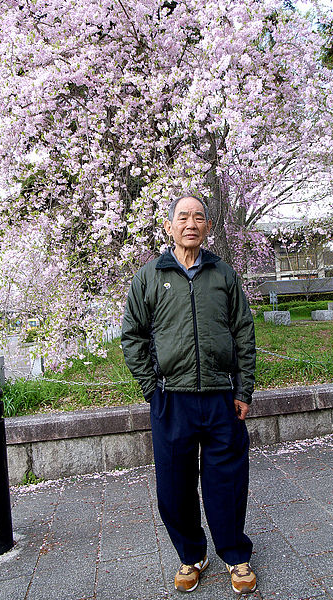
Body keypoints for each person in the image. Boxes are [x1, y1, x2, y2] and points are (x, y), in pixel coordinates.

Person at [121, 195, 257, 594]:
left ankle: (234, 554)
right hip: (172, 399)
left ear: (208, 227)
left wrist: (243, 389)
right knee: (174, 485)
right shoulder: (148, 277)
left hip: (221, 397)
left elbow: (244, 334)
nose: (191, 223)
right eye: (183, 217)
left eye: (199, 217)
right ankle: (191, 554)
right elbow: (133, 337)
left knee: (227, 480)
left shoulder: (224, 275)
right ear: (169, 227)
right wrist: (152, 389)